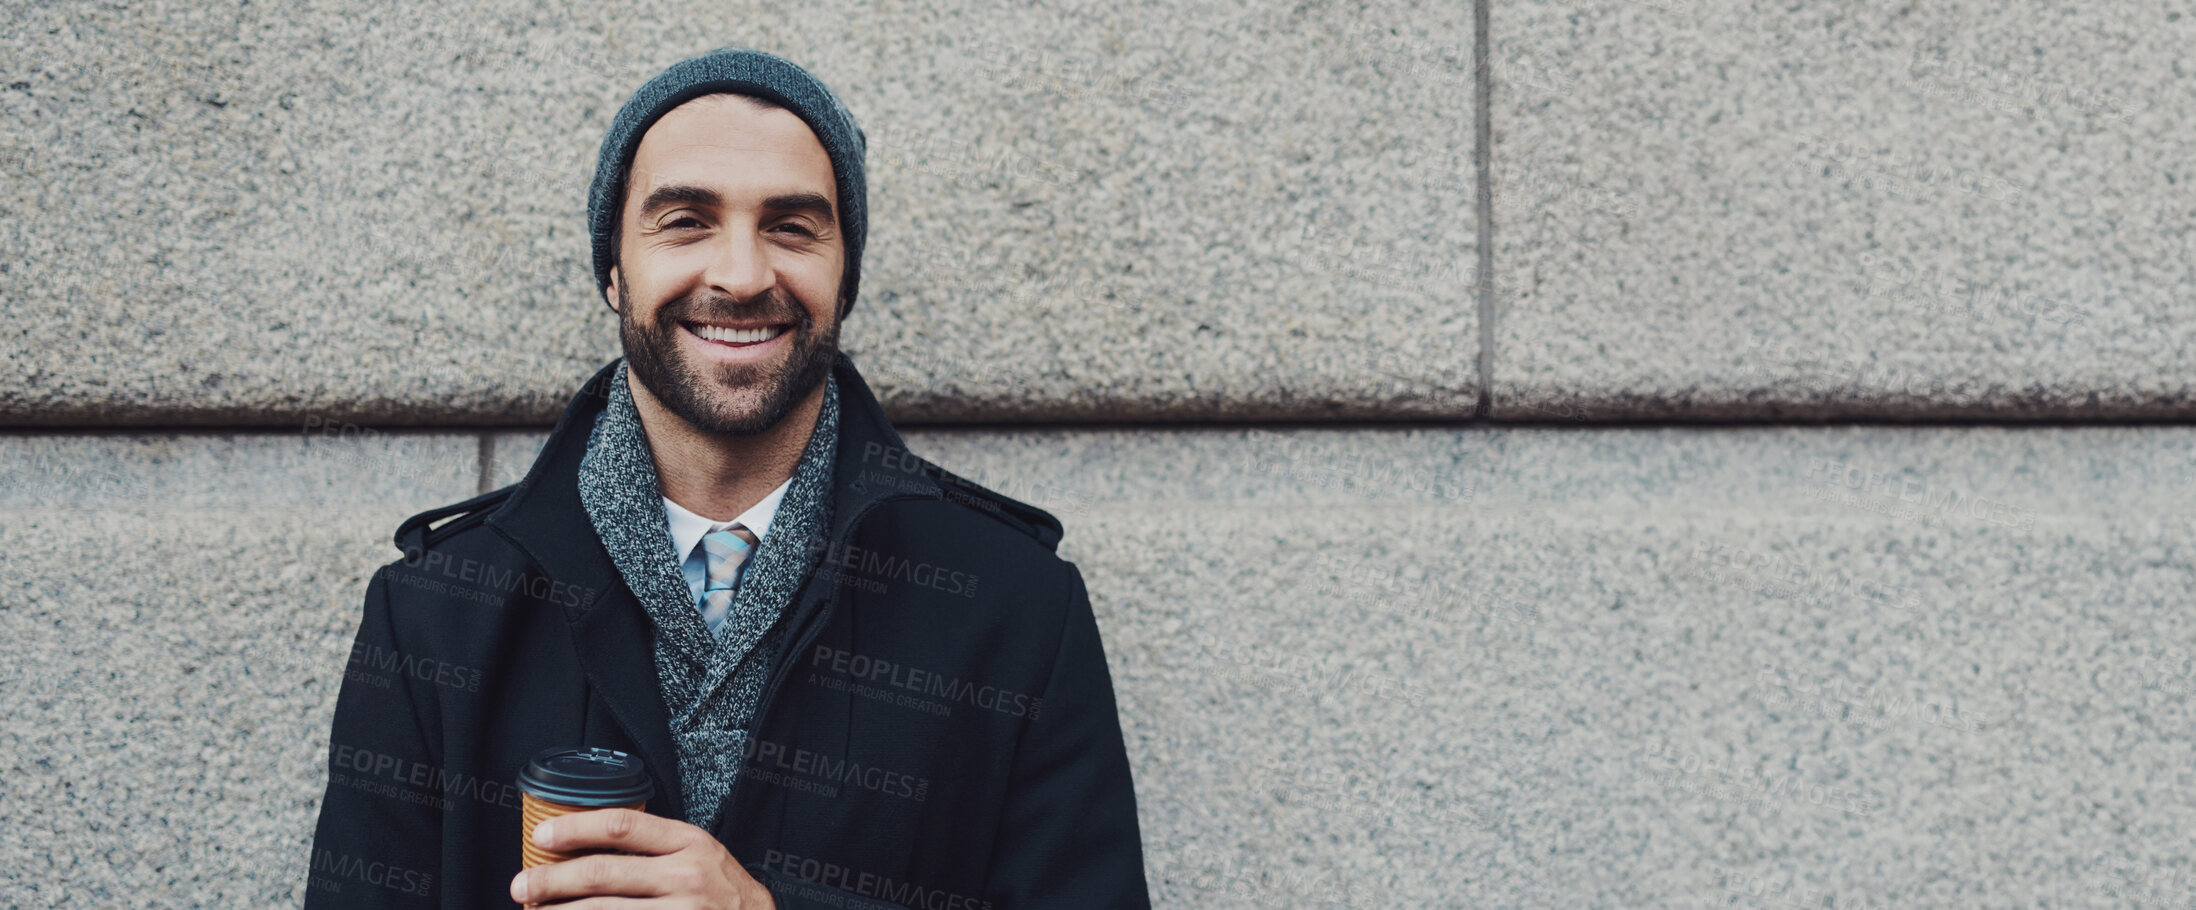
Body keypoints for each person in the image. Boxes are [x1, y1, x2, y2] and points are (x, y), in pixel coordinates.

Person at [305, 46, 1149, 909]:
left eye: (792, 226)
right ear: (612, 271)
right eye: (684, 222)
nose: (741, 276)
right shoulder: (435, 617)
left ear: (844, 276)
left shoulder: (1018, 611)